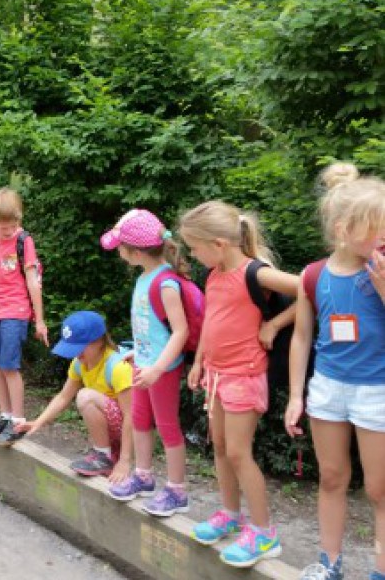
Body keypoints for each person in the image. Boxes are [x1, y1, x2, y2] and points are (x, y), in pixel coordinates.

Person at [178, 201, 298, 567]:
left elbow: (309, 289)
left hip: (244, 376)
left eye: (195, 248)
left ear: (219, 244)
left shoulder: (256, 273)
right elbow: (213, 322)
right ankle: (231, 513)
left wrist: (274, 325)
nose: (193, 255)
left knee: (238, 452)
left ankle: (264, 533)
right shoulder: (214, 275)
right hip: (216, 374)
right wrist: (199, 362)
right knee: (220, 446)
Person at [286, 163, 385, 580]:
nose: (383, 237)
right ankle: (329, 564)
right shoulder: (312, 275)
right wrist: (295, 395)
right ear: (344, 229)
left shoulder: (381, 271)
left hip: (377, 391)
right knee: (330, 477)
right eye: (376, 229)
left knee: (380, 490)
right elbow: (302, 338)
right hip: (327, 389)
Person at [99, 209, 190, 516]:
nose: (119, 254)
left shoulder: (165, 283)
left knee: (167, 426)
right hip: (144, 364)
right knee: (139, 420)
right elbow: (149, 326)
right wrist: (137, 354)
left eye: (120, 249)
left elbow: (180, 331)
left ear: (135, 252)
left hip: (160, 369)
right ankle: (144, 475)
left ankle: (177, 490)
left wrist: (157, 368)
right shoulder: (144, 278)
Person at [17, 311, 134, 479]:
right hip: (113, 428)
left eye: (80, 347)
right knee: (85, 397)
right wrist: (38, 421)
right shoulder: (79, 363)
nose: (76, 353)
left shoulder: (118, 367)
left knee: (85, 396)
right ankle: (104, 454)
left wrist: (125, 461)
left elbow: (132, 416)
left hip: (132, 432)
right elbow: (64, 397)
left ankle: (104, 456)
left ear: (100, 341)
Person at [0, 187, 48, 447]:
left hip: (15, 310)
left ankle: (18, 419)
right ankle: (4, 415)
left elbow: (33, 281)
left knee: (9, 365)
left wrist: (39, 320)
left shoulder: (23, 241)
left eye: (14, 225)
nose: (10, 231)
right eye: (5, 227)